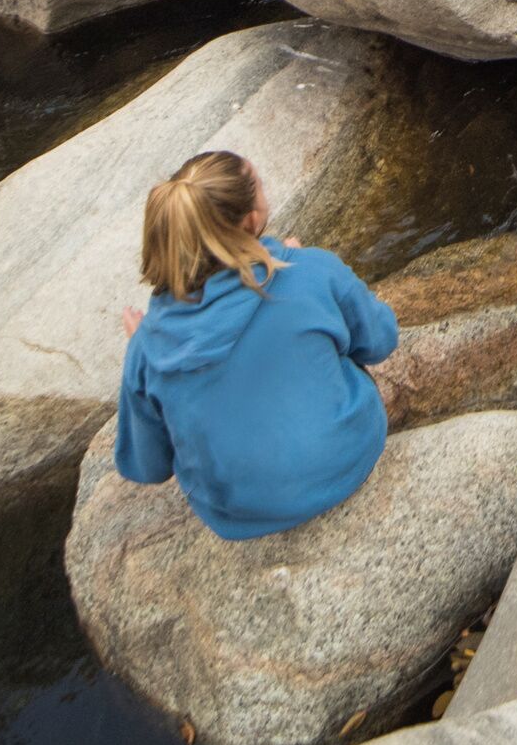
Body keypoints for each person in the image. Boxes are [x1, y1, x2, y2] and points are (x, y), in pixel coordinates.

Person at [113, 150, 398, 539]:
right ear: (251, 219)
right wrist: (302, 270)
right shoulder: (313, 268)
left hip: (239, 514)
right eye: (260, 186)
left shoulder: (147, 348)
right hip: (350, 459)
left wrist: (141, 352)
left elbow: (148, 467)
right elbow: (381, 341)